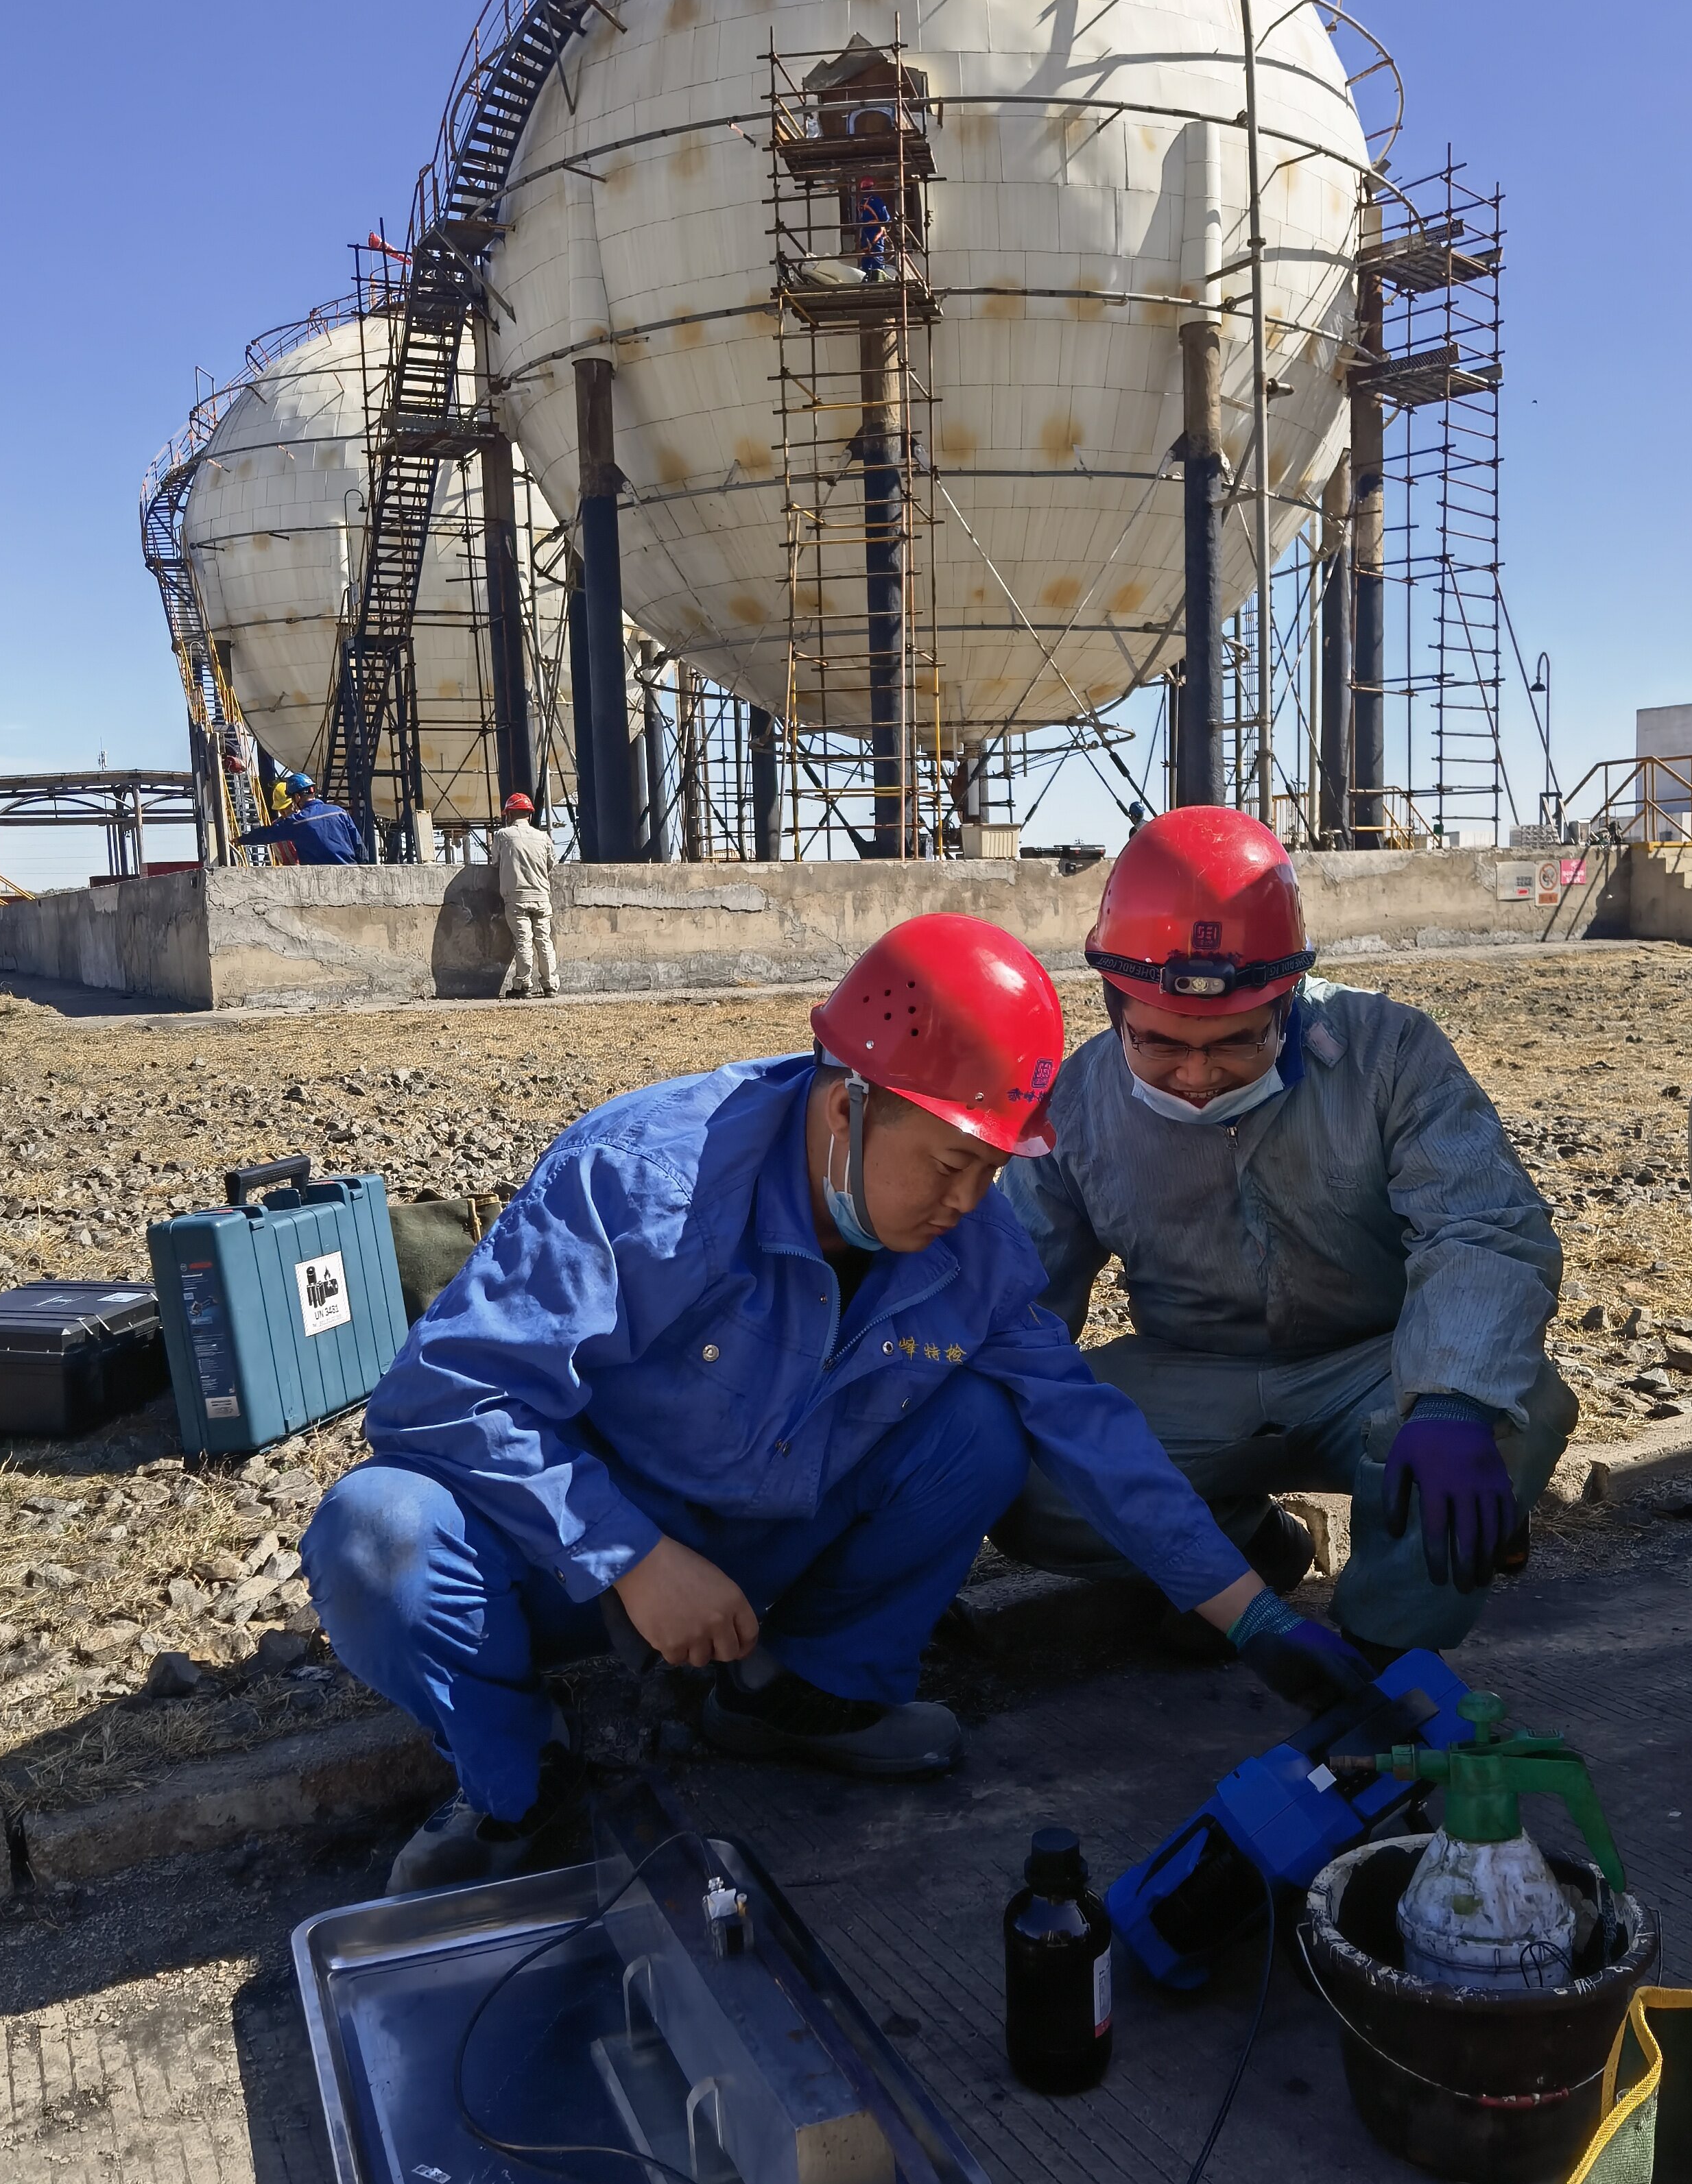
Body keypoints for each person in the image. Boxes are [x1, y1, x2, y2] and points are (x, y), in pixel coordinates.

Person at [300, 915, 1369, 1891]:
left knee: (984, 1430)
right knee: (376, 1532)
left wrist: (1257, 1621)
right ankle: (516, 1780)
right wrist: (632, 1556)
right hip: (569, 1560)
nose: (965, 1202)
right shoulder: (647, 1182)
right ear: (844, 1102)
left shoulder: (970, 1246)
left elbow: (1090, 1432)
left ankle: (800, 1695)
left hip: (763, 1541)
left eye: (991, 1171)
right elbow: (445, 1391)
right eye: (950, 1162)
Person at [993, 805, 1573, 1661]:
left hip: (1379, 1362)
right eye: (1157, 1045)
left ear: (1289, 999)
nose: (1196, 1075)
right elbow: (1016, 1299)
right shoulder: (1075, 1103)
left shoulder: (1392, 1052)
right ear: (1113, 1003)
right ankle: (1247, 1561)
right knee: (1020, 1472)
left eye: (1236, 1042)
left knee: (1504, 1418)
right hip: (1194, 1372)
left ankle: (1382, 1660)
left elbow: (1481, 1225)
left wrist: (1449, 1397)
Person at [489, 791, 558, 998]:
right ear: (529, 814)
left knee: (524, 941)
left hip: (517, 898)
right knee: (544, 941)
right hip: (541, 897)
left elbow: (495, 862)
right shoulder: (543, 837)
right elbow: (551, 864)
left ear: (509, 814)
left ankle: (523, 985)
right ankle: (550, 985)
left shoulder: (502, 836)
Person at [238, 771, 366, 866]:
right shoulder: (340, 812)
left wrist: (241, 840)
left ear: (297, 797)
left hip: (320, 881)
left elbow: (268, 834)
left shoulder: (298, 821)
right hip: (351, 873)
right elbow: (359, 846)